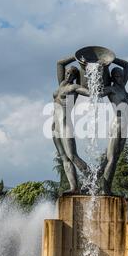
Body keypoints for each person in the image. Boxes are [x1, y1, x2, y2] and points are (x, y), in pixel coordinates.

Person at [52, 56, 89, 194]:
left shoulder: (74, 87)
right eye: (67, 73)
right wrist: (75, 57)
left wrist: (83, 67)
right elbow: (59, 62)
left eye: (71, 74)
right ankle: (74, 187)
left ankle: (92, 179)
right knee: (64, 158)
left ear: (75, 76)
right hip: (55, 126)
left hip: (65, 124)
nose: (68, 75)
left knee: (72, 155)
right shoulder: (61, 85)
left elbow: (89, 92)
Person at [101, 58, 128, 195]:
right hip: (117, 124)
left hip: (125, 126)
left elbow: (127, 65)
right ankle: (105, 189)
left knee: (114, 157)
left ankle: (96, 181)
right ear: (113, 78)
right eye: (117, 76)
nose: (120, 78)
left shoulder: (122, 88)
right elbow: (97, 92)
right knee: (111, 158)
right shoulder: (112, 89)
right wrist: (105, 66)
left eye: (121, 75)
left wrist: (112, 59)